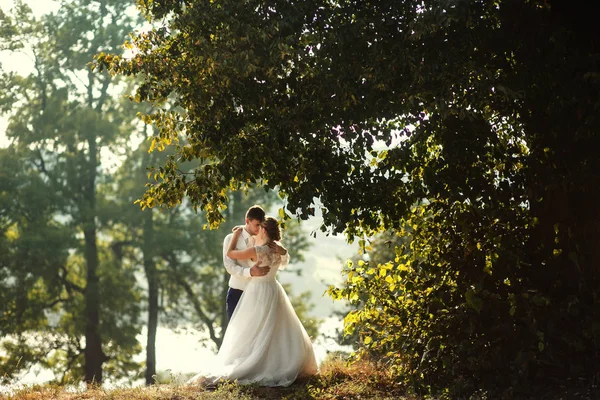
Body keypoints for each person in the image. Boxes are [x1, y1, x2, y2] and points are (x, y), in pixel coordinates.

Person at [189, 217, 318, 387]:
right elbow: (285, 259)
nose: (258, 230)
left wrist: (236, 234)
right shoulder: (278, 250)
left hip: (257, 290)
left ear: (264, 231)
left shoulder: (258, 250)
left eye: (260, 228)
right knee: (274, 328)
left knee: (252, 328)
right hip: (273, 288)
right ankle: (276, 362)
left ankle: (254, 362)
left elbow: (230, 254)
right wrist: (282, 249)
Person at [223, 205, 286, 320]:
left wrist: (283, 251)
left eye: (261, 225)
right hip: (238, 291)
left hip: (259, 295)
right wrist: (250, 272)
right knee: (236, 331)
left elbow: (279, 258)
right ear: (247, 221)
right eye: (257, 225)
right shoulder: (231, 239)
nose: (259, 228)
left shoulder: (262, 237)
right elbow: (229, 266)